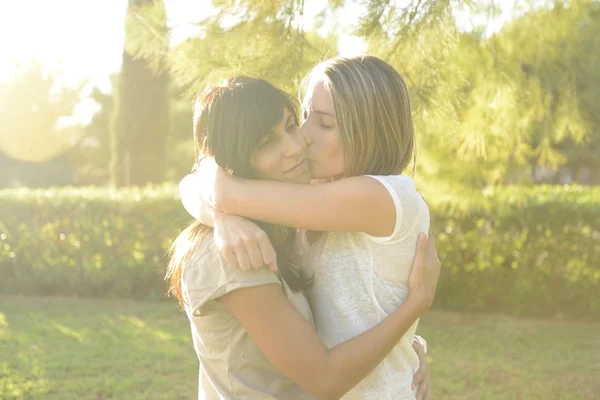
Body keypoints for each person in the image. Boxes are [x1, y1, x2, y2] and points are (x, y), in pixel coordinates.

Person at [169, 75, 440, 400]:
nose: (298, 144)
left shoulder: (320, 209)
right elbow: (324, 375)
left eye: (293, 124)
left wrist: (408, 344)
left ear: (366, 132)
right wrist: (413, 308)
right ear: (235, 158)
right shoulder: (238, 251)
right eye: (266, 142)